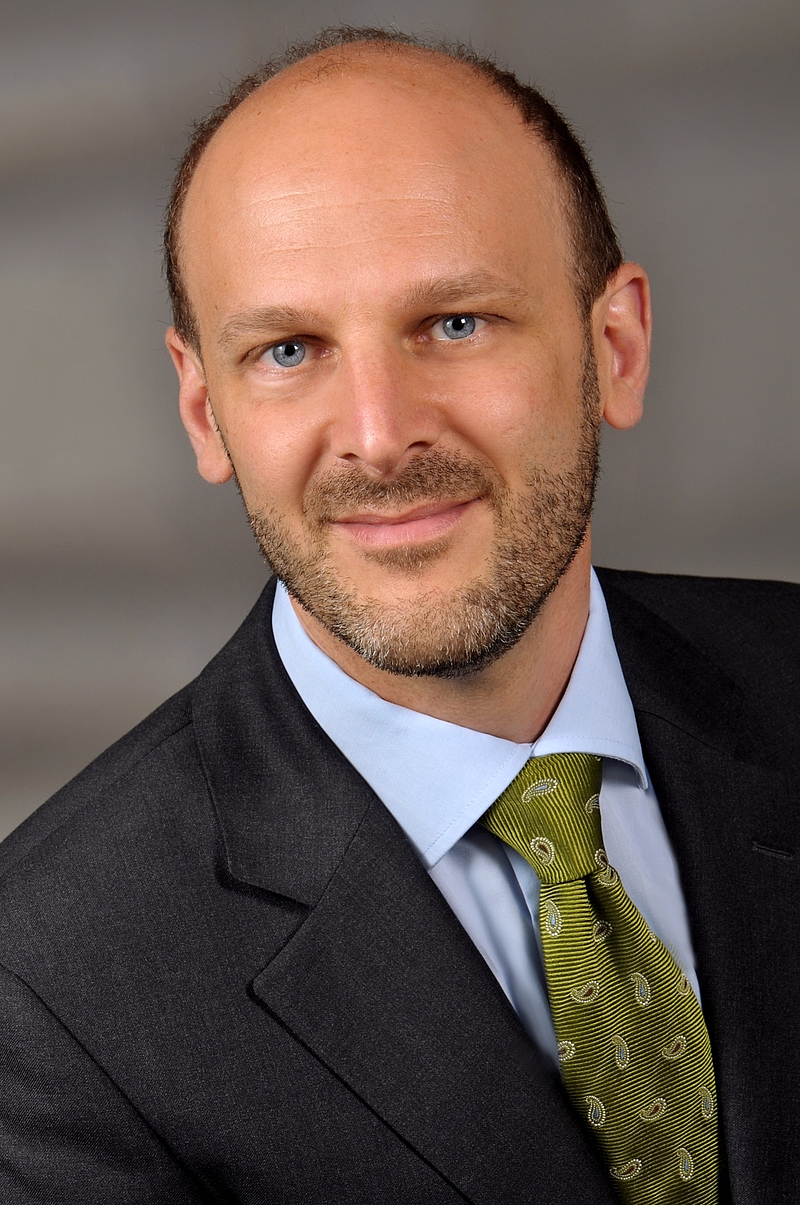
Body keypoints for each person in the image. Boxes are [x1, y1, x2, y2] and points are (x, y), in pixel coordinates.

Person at [0, 25, 796, 1205]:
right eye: (287, 349)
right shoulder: (47, 984)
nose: (378, 435)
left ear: (614, 348)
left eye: (454, 323)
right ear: (206, 413)